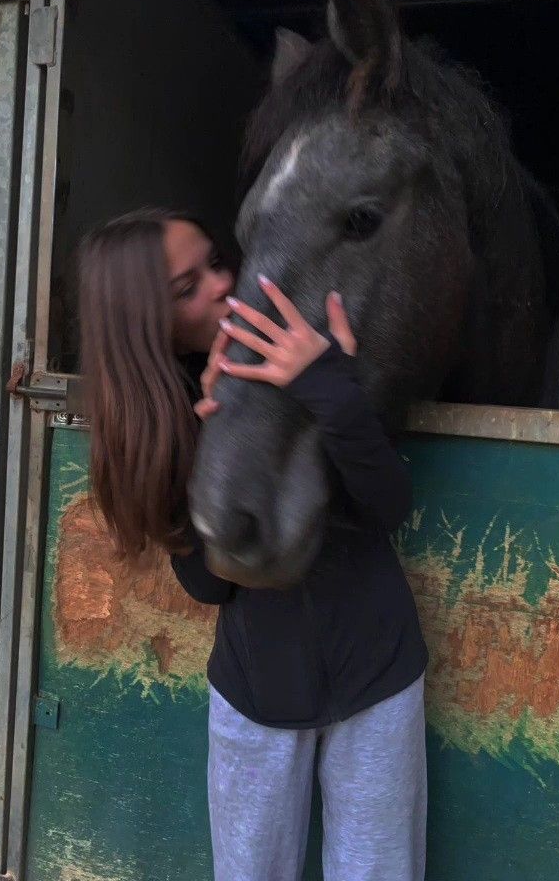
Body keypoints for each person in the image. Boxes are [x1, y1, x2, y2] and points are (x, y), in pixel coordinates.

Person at [78, 206, 428, 881]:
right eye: (187, 288)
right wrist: (217, 442)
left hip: (377, 673)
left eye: (215, 262)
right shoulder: (171, 422)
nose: (221, 283)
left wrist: (329, 388)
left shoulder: (307, 346)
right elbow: (209, 585)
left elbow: (387, 504)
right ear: (147, 325)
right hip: (257, 694)